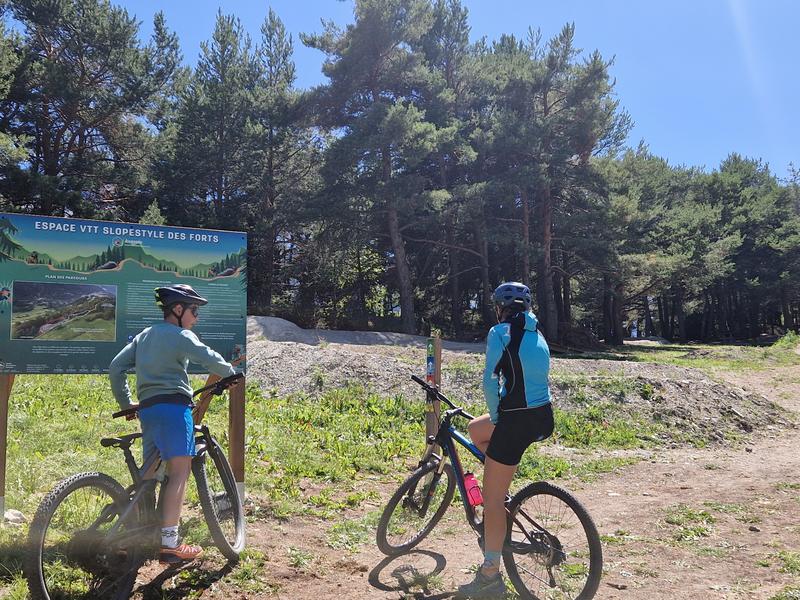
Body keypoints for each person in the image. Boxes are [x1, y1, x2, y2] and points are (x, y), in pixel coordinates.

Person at [109, 284, 237, 565]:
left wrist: (126, 402)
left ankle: (136, 538)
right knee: (180, 472)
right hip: (174, 409)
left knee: (149, 476)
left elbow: (116, 368)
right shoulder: (181, 335)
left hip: (148, 411)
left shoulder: (143, 336)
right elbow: (209, 356)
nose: (196, 317)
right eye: (194, 310)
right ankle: (170, 544)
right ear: (177, 310)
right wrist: (232, 372)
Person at [457, 282, 554, 598]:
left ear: (500, 308)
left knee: (492, 499)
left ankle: (489, 576)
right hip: (542, 417)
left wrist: (499, 418)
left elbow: (490, 382)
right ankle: (500, 477)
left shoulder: (499, 332)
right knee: (475, 429)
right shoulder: (537, 334)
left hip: (515, 421)